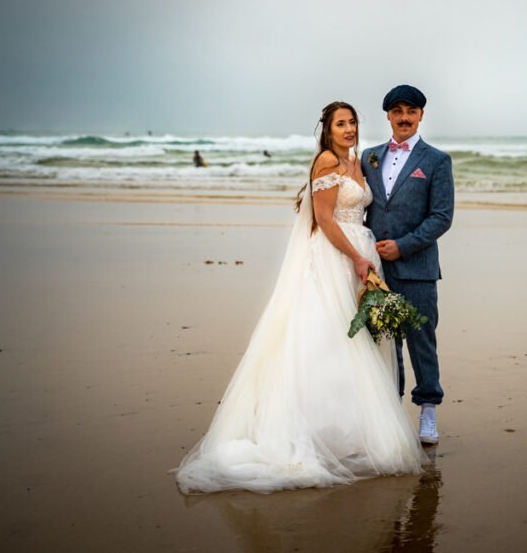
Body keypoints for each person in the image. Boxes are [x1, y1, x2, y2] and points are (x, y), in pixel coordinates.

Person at [175, 102, 426, 494]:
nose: (348, 129)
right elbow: (325, 220)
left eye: (353, 122)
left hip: (360, 258)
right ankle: (316, 432)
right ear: (327, 130)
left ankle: (354, 431)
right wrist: (358, 257)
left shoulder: (359, 162)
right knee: (327, 340)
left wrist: (366, 258)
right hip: (333, 258)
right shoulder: (326, 161)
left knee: (358, 341)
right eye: (340, 124)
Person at [361, 85, 454, 445]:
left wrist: (403, 246)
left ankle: (428, 411)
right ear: (387, 115)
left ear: (421, 115)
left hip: (418, 270)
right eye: (397, 111)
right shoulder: (369, 157)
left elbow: (442, 217)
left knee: (421, 341)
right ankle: (391, 413)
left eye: (411, 111)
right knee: (385, 343)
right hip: (377, 272)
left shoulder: (436, 161)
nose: (403, 117)